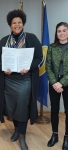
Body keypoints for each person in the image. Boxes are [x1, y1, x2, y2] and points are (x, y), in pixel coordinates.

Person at [0, 10, 42, 150]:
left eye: (19, 22)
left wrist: (29, 67)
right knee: (12, 107)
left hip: (25, 79)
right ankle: (16, 130)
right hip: (9, 80)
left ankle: (22, 136)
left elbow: (39, 57)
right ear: (10, 25)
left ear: (23, 24)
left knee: (22, 107)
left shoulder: (31, 38)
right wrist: (3, 67)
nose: (17, 25)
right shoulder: (4, 41)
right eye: (14, 23)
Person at [46, 22, 68, 150]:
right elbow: (48, 67)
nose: (62, 33)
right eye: (59, 31)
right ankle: (54, 135)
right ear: (56, 33)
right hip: (54, 83)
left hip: (66, 82)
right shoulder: (52, 47)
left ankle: (66, 136)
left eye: (64, 30)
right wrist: (55, 82)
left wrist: (62, 82)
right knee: (54, 110)